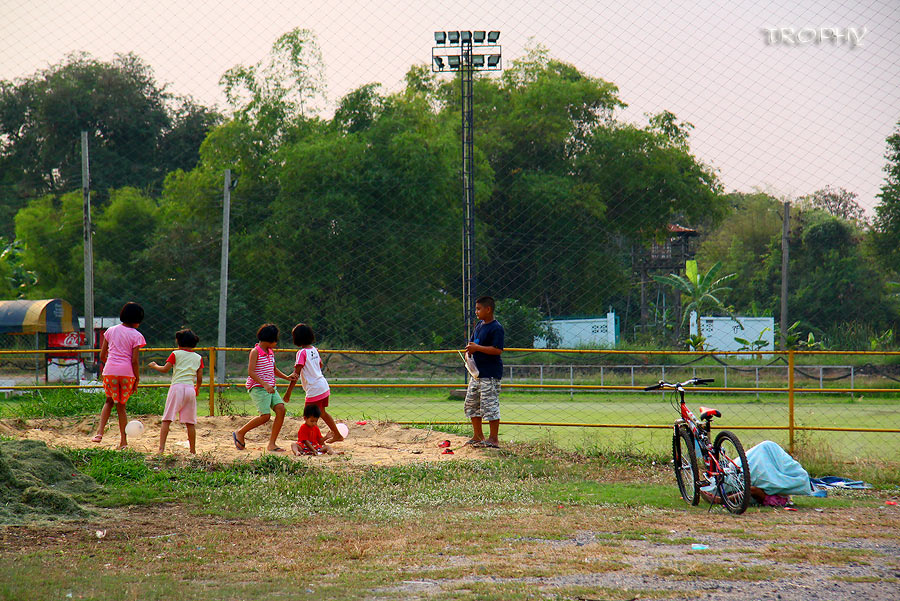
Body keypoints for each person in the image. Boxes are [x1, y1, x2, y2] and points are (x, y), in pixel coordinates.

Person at [232, 324, 296, 452]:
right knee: (265, 416)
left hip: (271, 387)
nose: (276, 343)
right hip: (258, 387)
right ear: (270, 340)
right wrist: (265, 385)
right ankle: (240, 432)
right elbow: (251, 372)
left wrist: (287, 377)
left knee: (281, 409)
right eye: (275, 340)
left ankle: (272, 443)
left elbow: (273, 369)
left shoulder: (270, 352)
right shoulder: (255, 352)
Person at [91, 302, 146, 450]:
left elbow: (102, 355)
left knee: (109, 401)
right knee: (121, 407)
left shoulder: (110, 331)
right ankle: (123, 441)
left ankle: (99, 432)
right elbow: (134, 361)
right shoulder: (137, 336)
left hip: (110, 371)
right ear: (138, 319)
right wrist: (137, 379)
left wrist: (111, 364)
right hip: (127, 373)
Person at [283, 323, 343, 442]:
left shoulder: (301, 353)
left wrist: (288, 393)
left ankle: (313, 441)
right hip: (323, 385)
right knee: (322, 413)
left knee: (309, 417)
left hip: (314, 389)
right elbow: (320, 365)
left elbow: (296, 374)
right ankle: (337, 435)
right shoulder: (314, 350)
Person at [148, 329, 203, 454]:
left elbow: (165, 369)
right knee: (190, 422)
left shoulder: (175, 354)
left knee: (167, 419)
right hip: (190, 389)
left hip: (177, 388)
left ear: (179, 342)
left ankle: (161, 449)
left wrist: (155, 366)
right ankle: (192, 450)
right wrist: (197, 388)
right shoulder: (198, 358)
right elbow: (199, 378)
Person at [463, 296, 505, 448]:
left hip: (490, 374)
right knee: (472, 404)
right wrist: (469, 354)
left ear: (488, 309)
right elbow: (473, 344)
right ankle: (478, 435)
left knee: (489, 406)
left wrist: (477, 349)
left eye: (479, 309)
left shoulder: (496, 328)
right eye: (476, 309)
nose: (476, 312)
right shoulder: (480, 325)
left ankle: (493, 438)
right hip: (477, 374)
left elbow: (497, 350)